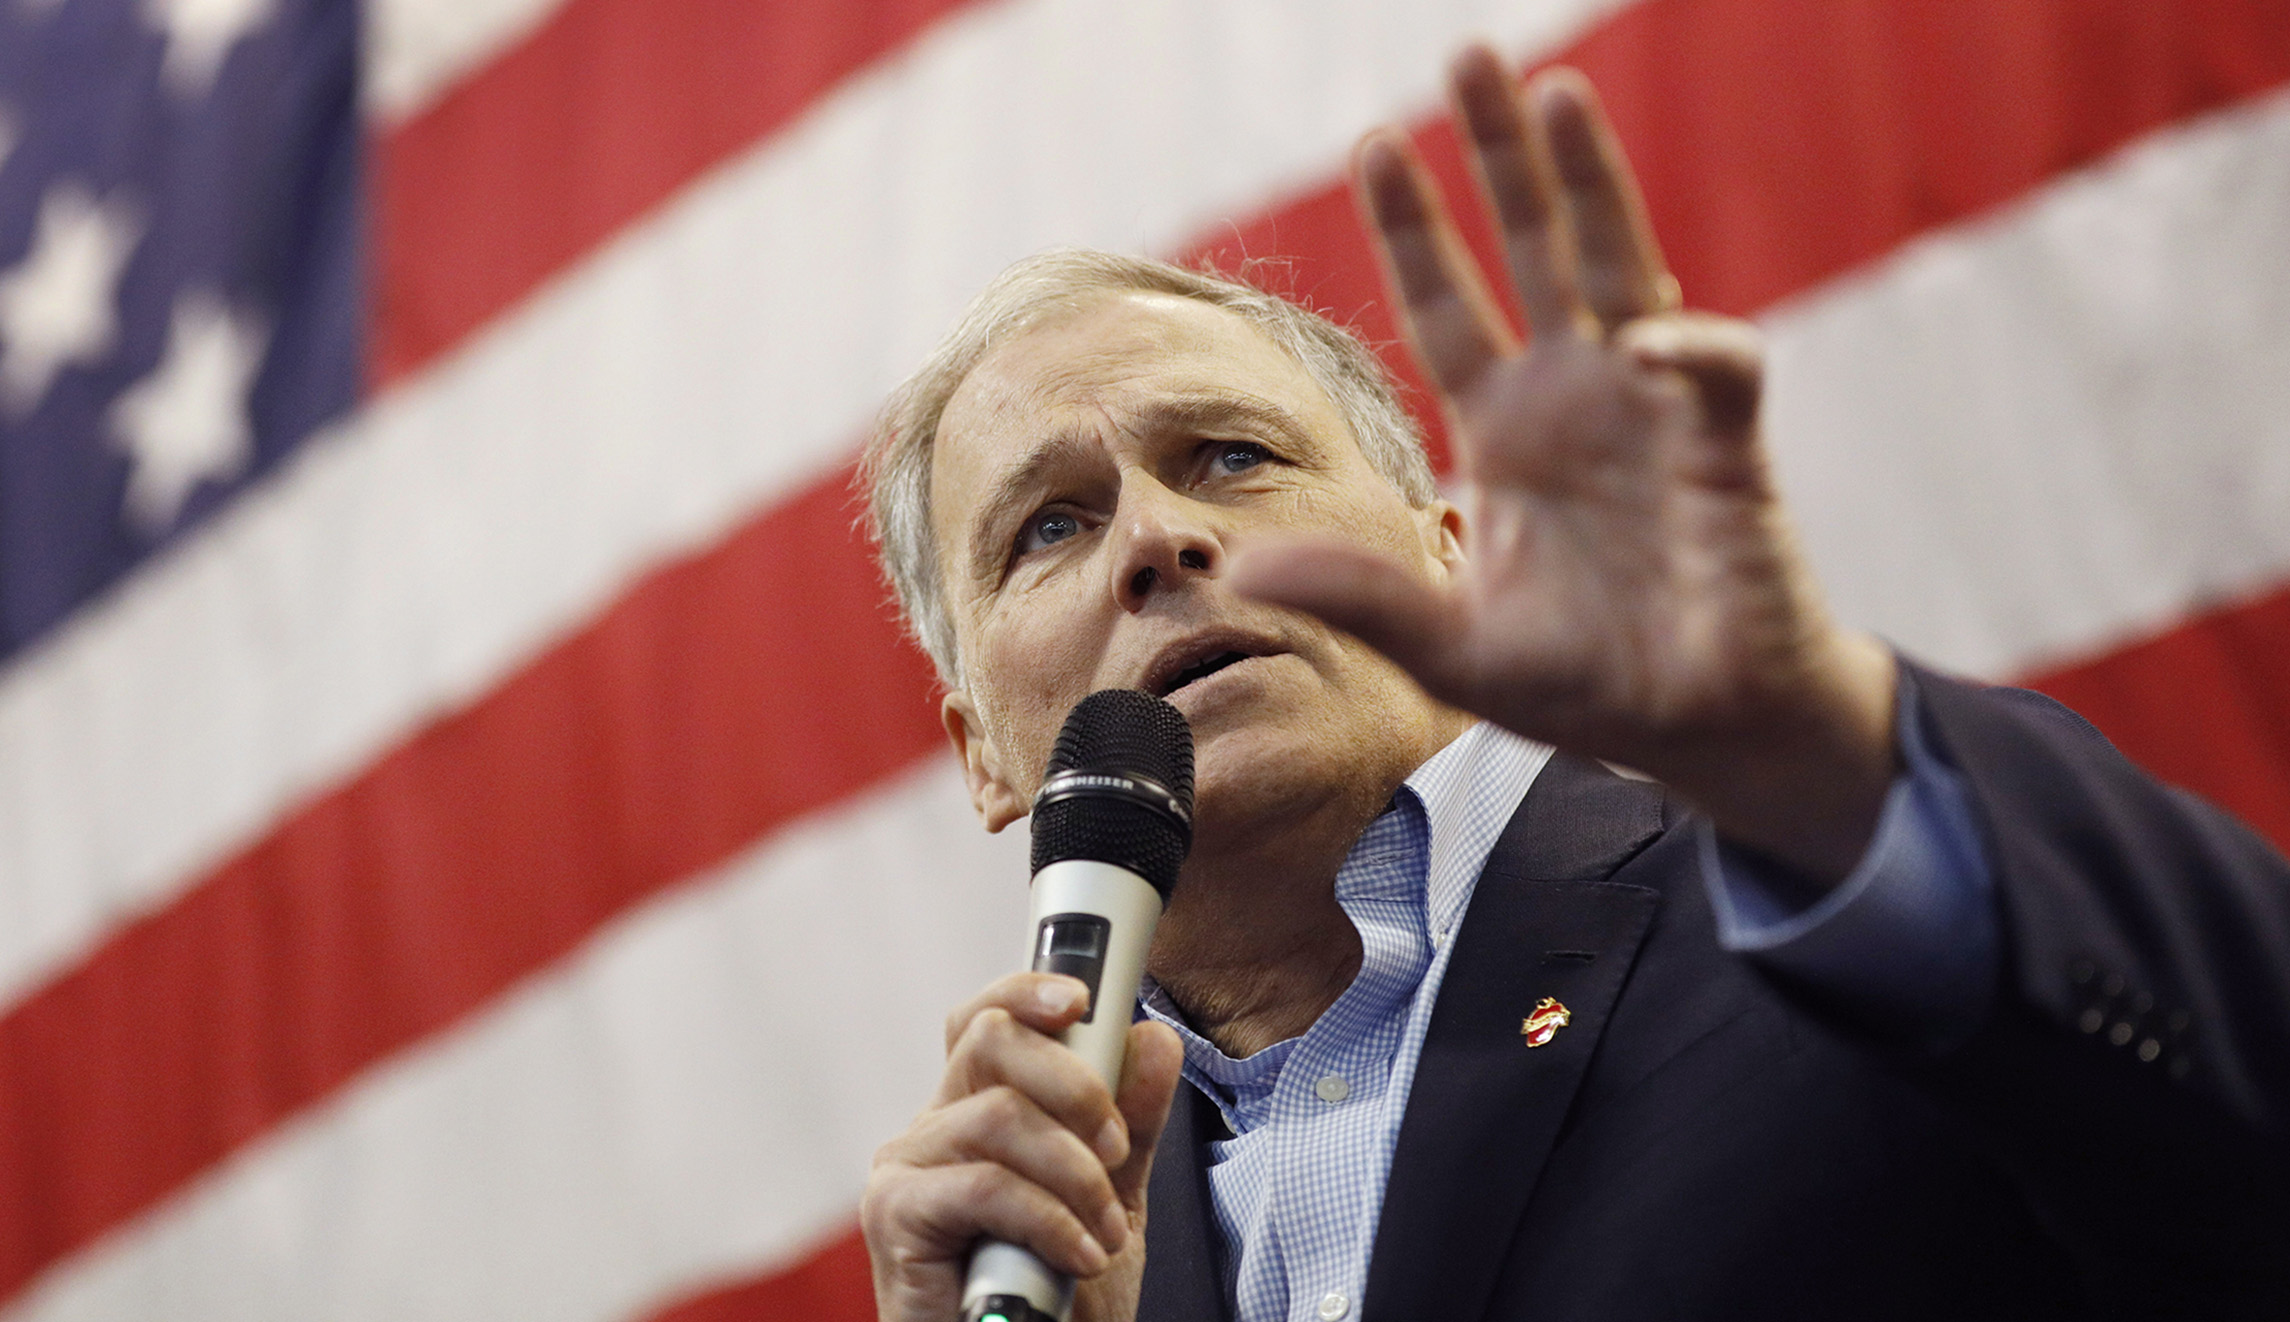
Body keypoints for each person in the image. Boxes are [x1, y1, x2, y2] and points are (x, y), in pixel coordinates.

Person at [856, 45, 2290, 1322]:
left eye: (1232, 455)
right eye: (1048, 527)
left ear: (1445, 552)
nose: (1155, 538)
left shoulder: (1851, 898)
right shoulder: (1057, 1241)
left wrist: (1806, 748)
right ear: (982, 753)